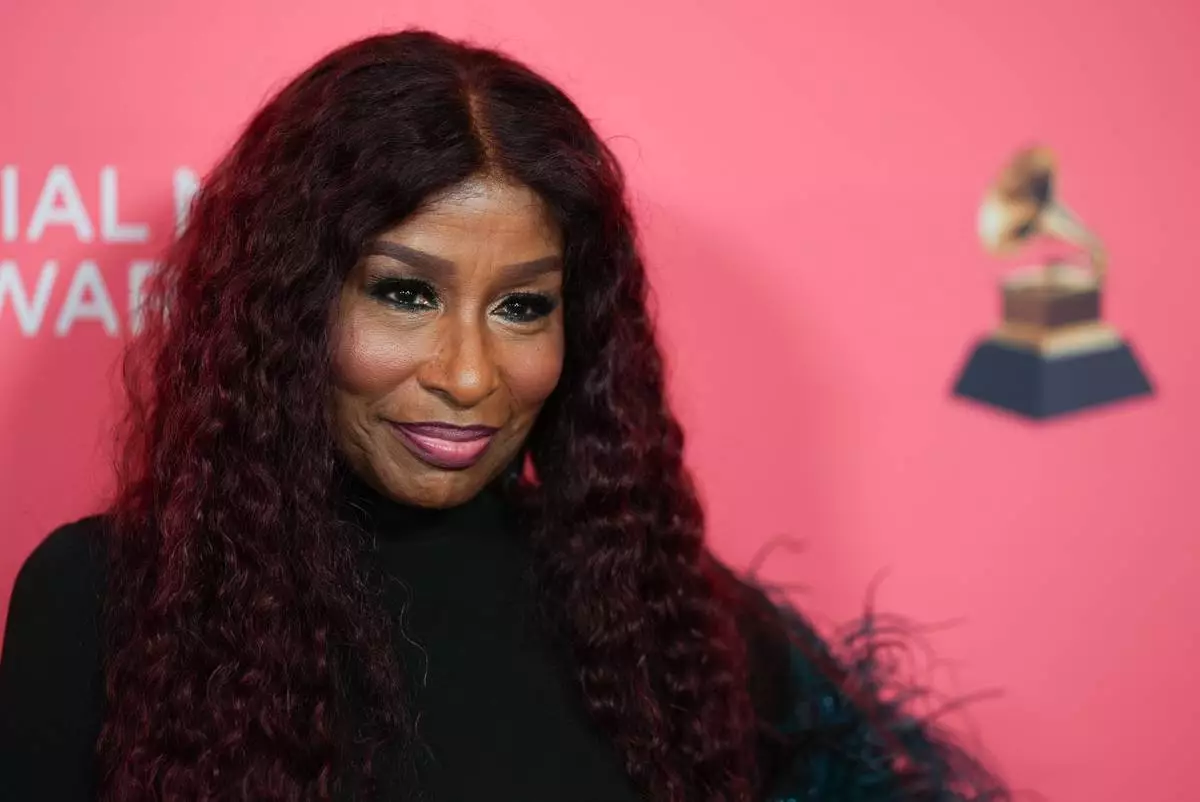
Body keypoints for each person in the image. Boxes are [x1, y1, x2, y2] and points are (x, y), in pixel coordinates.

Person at [0, 29, 1008, 802]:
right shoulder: (105, 598)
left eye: (523, 306)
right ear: (289, 302)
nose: (472, 375)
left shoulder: (682, 624)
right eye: (406, 294)